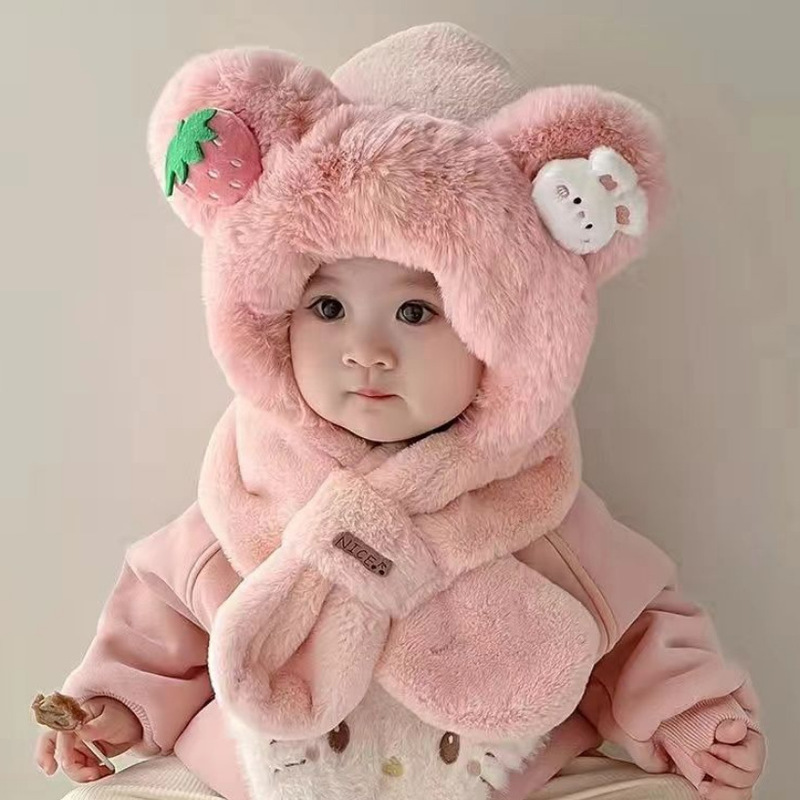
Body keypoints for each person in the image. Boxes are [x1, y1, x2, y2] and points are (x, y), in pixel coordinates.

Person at [34, 23, 766, 800]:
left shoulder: (526, 495)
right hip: (264, 772)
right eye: (328, 307)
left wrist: (691, 715)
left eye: (416, 313)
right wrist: (112, 708)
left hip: (491, 772)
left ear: (503, 345)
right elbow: (159, 619)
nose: (367, 351)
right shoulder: (253, 480)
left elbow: (637, 621)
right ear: (274, 320)